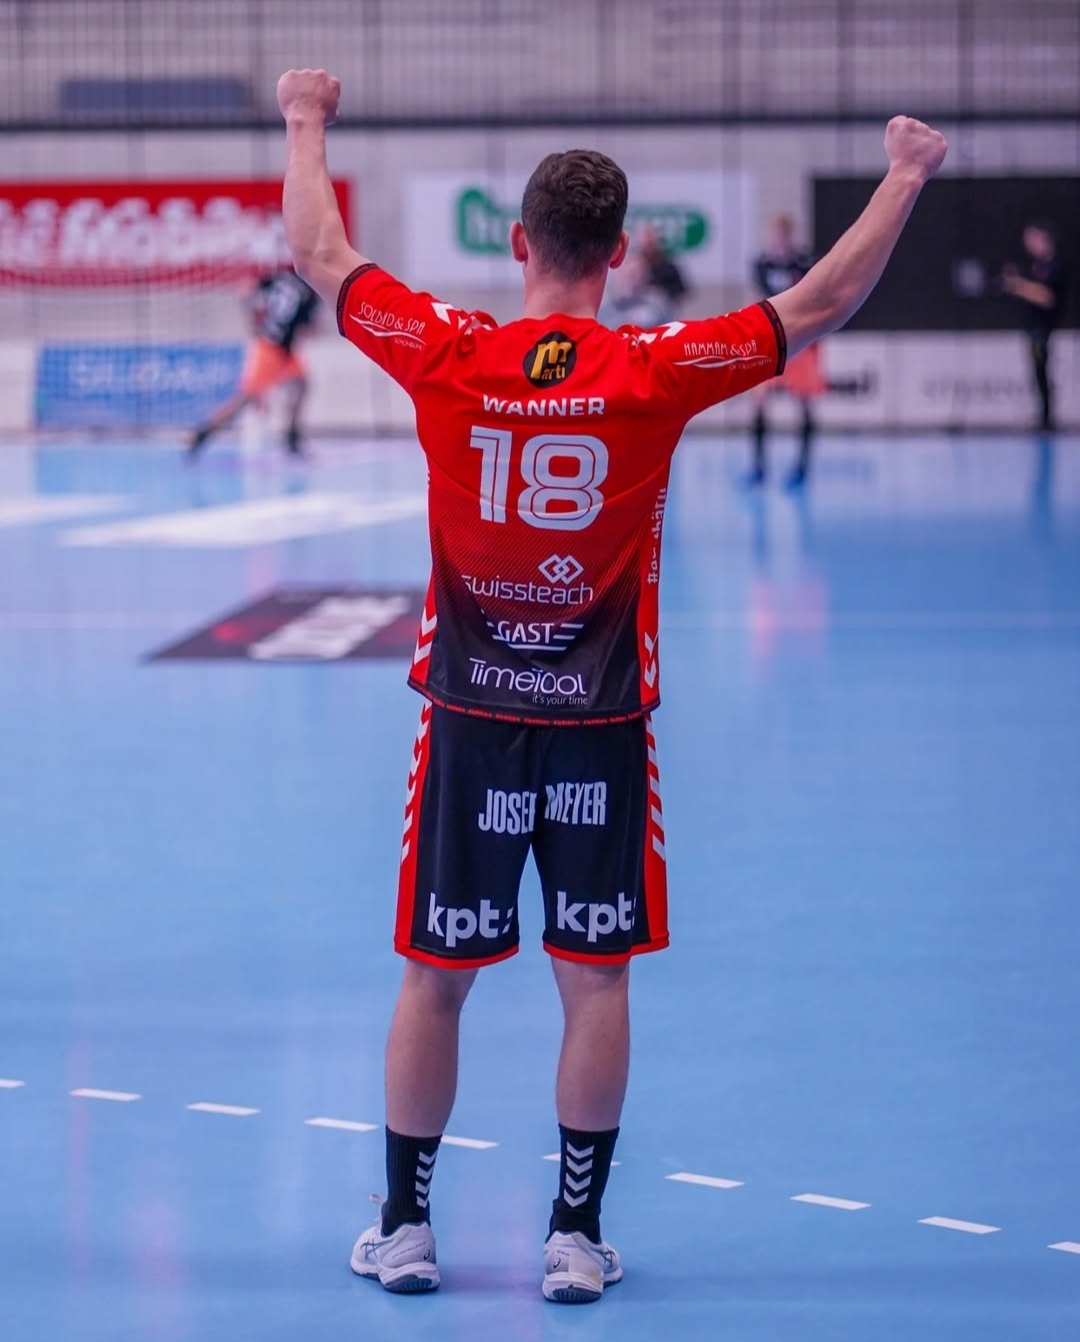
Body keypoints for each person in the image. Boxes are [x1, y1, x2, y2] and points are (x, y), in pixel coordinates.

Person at [276, 66, 946, 1304]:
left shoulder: (449, 352)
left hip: (471, 717)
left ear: (522, 243)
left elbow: (317, 249)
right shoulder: (655, 368)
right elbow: (823, 298)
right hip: (598, 724)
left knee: (436, 974)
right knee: (596, 979)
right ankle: (574, 1239)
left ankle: (405, 1226)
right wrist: (903, 172)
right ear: (620, 250)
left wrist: (306, 116)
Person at [187, 266, 318, 458]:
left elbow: (246, 290)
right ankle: (202, 433)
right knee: (245, 400)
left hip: (277, 346)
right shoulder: (310, 291)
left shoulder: (281, 276)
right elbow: (308, 329)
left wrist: (254, 323)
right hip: (274, 350)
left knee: (302, 384)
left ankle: (292, 436)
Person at [747, 215, 827, 489]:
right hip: (771, 337)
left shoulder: (804, 263)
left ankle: (802, 468)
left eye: (783, 238)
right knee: (758, 400)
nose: (779, 244)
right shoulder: (761, 264)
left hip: (800, 337)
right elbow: (759, 298)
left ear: (789, 239)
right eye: (775, 239)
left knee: (804, 402)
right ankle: (758, 469)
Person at [1002, 221, 1066, 432]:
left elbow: (1046, 297)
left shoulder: (1053, 266)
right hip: (1034, 329)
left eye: (1033, 238)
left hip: (1043, 330)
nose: (1029, 244)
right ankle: (1044, 416)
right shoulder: (1036, 267)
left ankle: (1046, 418)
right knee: (1037, 372)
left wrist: (1019, 286)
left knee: (1042, 371)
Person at [603, 223, 688, 328]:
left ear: (645, 271)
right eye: (627, 270)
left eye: (636, 270)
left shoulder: (660, 305)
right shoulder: (603, 306)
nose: (632, 271)